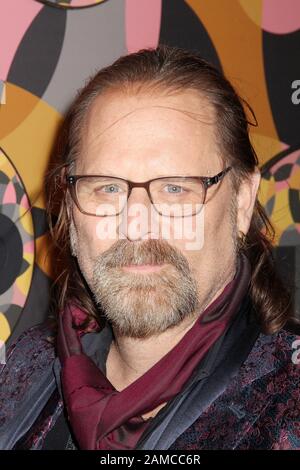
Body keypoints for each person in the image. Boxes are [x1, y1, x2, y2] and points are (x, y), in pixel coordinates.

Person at [0, 44, 299, 450]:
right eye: (106, 188)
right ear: (70, 210)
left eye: (175, 188)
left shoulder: (287, 403)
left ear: (243, 201)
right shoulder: (27, 364)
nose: (136, 226)